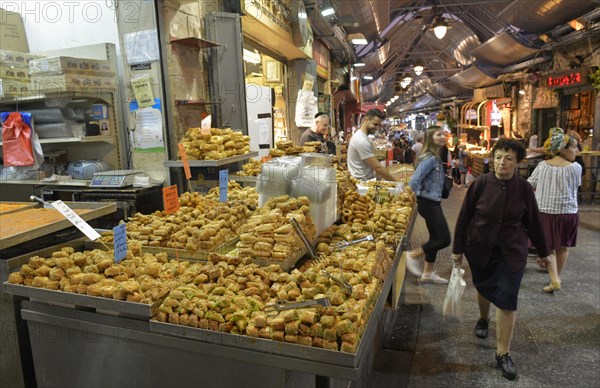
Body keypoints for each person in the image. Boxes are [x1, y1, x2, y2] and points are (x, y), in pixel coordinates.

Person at [452, 138, 551, 381]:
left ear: (517, 163)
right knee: (484, 288)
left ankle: (503, 353)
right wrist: (458, 249)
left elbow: (534, 223)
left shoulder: (524, 189)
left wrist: (545, 253)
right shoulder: (480, 184)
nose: (501, 162)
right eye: (498, 157)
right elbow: (464, 217)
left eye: (508, 158)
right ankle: (483, 319)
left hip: (511, 252)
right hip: (480, 248)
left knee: (507, 299)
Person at [527, 128, 581, 293]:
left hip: (545, 213)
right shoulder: (575, 168)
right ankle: (557, 276)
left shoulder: (542, 166)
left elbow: (530, 185)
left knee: (547, 247)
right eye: (575, 147)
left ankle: (554, 278)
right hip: (568, 213)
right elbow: (576, 186)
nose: (577, 151)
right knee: (563, 247)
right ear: (563, 149)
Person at [405, 126, 451, 283]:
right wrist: (409, 201)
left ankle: (427, 272)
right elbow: (414, 180)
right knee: (444, 239)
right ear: (430, 138)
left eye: (443, 134)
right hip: (427, 202)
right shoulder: (430, 158)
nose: (443, 137)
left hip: (432, 201)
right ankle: (412, 255)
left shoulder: (436, 157)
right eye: (439, 135)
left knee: (435, 236)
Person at [346, 109, 397, 181]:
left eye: (379, 125)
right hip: (361, 183)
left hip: (363, 181)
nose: (377, 128)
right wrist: (396, 183)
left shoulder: (362, 136)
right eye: (375, 124)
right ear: (366, 120)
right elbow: (378, 168)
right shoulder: (361, 140)